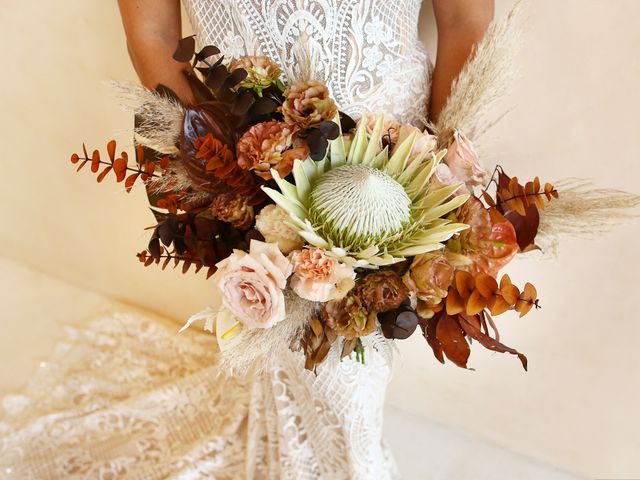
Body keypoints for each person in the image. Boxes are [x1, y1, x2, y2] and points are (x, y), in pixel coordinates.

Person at [0, 1, 493, 478]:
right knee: (299, 356)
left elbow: (465, 17)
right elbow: (152, 34)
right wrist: (210, 173)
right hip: (253, 169)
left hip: (399, 165)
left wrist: (441, 169)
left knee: (355, 370)